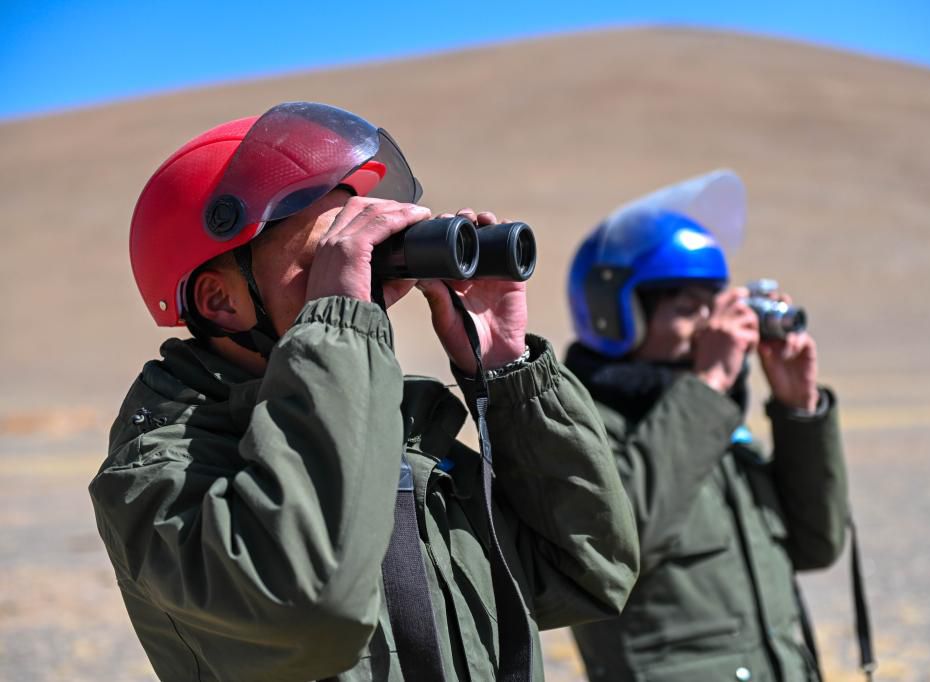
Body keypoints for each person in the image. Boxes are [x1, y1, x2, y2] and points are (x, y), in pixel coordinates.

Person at [88, 101, 639, 682]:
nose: (362, 271)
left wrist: (506, 367)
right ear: (221, 300)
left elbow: (589, 572)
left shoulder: (400, 438)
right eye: (327, 255)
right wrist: (340, 330)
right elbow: (309, 608)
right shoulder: (161, 474)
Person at [566, 170, 849, 682]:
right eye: (686, 308)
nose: (708, 325)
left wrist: (799, 411)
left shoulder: (707, 420)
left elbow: (816, 544)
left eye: (711, 305)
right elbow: (619, 545)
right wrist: (712, 382)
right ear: (615, 314)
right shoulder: (581, 422)